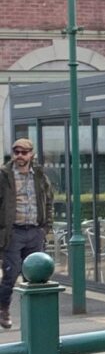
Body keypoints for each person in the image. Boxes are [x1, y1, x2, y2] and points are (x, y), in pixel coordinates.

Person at [0, 138, 54, 328]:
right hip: (13, 232)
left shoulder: (39, 175)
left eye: (24, 152)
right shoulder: (4, 175)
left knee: (36, 275)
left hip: (34, 231)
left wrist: (46, 228)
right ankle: (3, 309)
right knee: (11, 273)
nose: (20, 156)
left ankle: (36, 317)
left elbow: (48, 201)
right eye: (16, 152)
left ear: (31, 154)